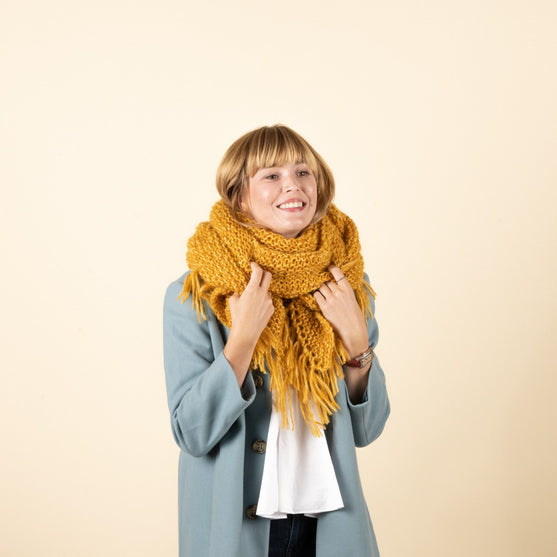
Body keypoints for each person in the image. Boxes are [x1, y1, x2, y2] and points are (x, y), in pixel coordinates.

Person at [163, 124, 390, 557]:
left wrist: (357, 341)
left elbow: (368, 429)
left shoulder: (347, 285)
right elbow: (192, 433)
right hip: (236, 527)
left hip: (328, 525)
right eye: (272, 175)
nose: (294, 185)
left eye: (304, 172)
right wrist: (243, 338)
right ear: (239, 195)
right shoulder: (197, 295)